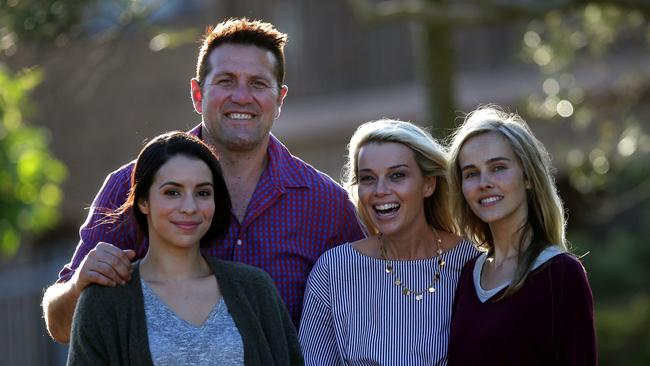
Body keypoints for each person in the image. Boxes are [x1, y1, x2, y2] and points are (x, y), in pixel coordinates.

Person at [43, 17, 364, 343]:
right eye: (226, 81)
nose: (241, 96)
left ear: (279, 100)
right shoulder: (134, 186)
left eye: (257, 83)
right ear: (197, 94)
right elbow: (61, 328)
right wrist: (77, 285)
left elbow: (364, 319)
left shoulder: (327, 204)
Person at [66, 132, 302, 365]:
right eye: (172, 192)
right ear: (143, 201)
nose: (190, 207)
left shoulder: (256, 289)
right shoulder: (104, 301)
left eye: (202, 193)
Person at [299, 119, 479, 365]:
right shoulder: (333, 271)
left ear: (428, 183)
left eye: (397, 175)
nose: (380, 190)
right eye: (368, 178)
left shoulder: (472, 263)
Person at [446, 106, 597, 364]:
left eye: (498, 168)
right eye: (471, 173)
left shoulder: (561, 273)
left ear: (527, 177)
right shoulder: (466, 274)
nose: (484, 182)